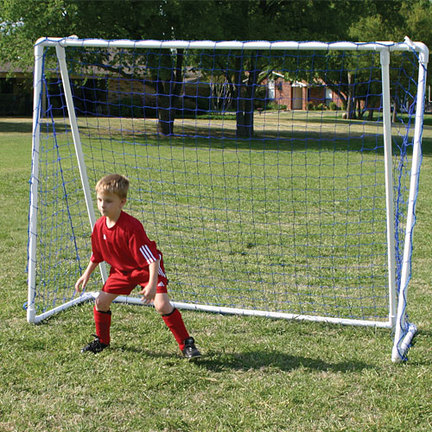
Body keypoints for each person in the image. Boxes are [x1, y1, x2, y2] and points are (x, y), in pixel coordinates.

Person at [75, 174, 201, 359]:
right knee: (101, 302)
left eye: (109, 201)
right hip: (122, 271)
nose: (102, 205)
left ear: (122, 202)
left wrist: (151, 284)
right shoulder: (99, 226)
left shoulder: (132, 227)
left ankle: (187, 345)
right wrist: (86, 274)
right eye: (100, 199)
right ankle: (102, 340)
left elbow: (152, 259)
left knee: (161, 305)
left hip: (146, 269)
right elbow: (98, 254)